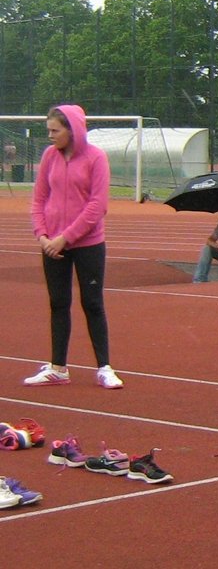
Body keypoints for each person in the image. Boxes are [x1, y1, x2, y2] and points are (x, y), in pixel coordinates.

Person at [26, 105, 123, 389]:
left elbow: (97, 206)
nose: (50, 136)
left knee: (92, 303)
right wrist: (42, 235)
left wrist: (65, 238)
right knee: (58, 303)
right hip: (52, 244)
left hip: (87, 244)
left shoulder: (96, 158)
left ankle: (104, 367)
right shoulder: (49, 157)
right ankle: (58, 367)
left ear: (72, 130)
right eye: (49, 130)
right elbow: (39, 199)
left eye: (55, 130)